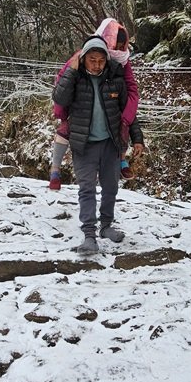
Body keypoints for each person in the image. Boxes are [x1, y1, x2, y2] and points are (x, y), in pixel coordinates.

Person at [52, 35, 145, 254]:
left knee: (111, 187)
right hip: (83, 144)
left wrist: (137, 138)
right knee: (87, 189)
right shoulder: (75, 79)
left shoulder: (115, 79)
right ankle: (89, 235)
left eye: (101, 60)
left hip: (111, 144)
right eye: (92, 60)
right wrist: (72, 71)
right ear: (83, 59)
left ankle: (106, 226)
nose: (97, 65)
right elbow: (60, 98)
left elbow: (128, 113)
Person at [49, 18, 140, 190]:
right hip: (79, 110)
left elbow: (131, 89)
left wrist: (127, 116)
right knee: (64, 132)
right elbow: (62, 81)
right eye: (116, 44)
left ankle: (121, 160)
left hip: (108, 108)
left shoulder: (122, 61)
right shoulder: (83, 57)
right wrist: (61, 113)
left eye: (122, 46)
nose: (119, 49)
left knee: (118, 121)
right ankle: (55, 169)